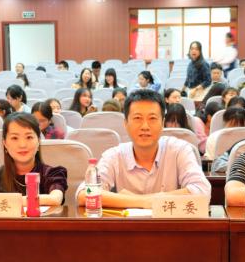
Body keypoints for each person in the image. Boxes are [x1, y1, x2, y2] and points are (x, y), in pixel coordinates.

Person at [76, 89, 210, 208]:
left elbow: (202, 190)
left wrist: (142, 200)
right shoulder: (114, 155)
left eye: (152, 118)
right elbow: (84, 194)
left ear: (162, 123)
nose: (145, 126)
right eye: (137, 118)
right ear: (126, 124)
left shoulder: (179, 150)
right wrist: (143, 202)